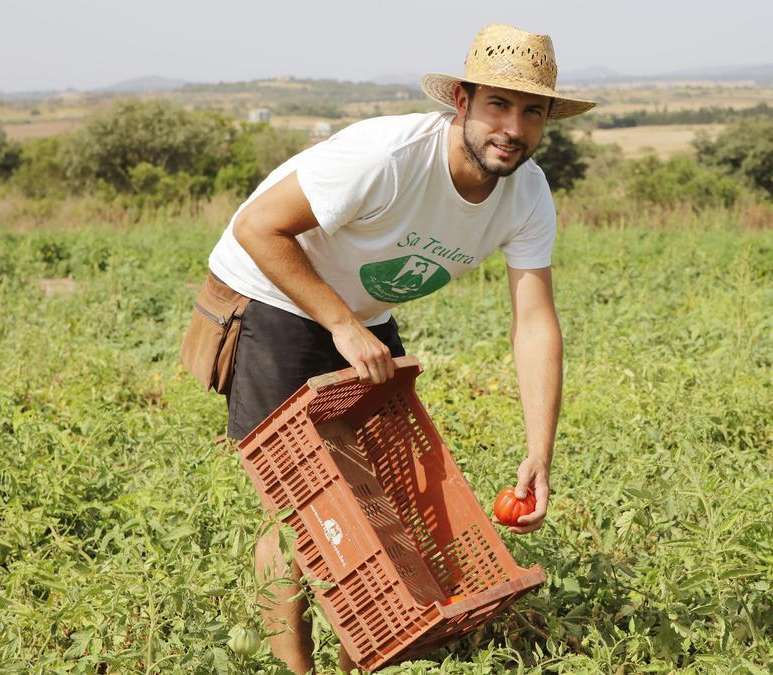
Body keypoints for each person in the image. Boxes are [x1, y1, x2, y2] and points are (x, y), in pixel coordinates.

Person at [203, 23, 593, 673]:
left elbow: (535, 323)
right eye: (498, 103)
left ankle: (370, 651)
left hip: (359, 309)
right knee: (298, 508)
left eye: (533, 111)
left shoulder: (526, 193)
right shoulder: (389, 156)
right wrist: (340, 325)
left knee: (384, 496)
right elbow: (257, 228)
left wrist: (539, 453)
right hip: (274, 291)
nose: (513, 127)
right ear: (462, 102)